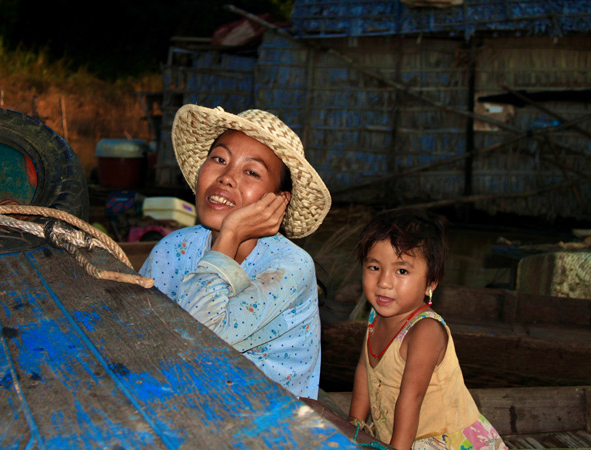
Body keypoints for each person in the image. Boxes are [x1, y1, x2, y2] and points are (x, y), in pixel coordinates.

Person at [140, 105, 331, 400]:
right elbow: (140, 328)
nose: (227, 177)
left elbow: (200, 340)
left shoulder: (290, 266)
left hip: (267, 423)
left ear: (278, 202)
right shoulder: (173, 248)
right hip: (185, 397)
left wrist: (230, 235)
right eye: (219, 159)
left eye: (251, 172)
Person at [348, 208, 506, 450]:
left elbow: (411, 398)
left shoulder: (425, 331)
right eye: (374, 267)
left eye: (402, 271)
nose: (384, 282)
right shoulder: (374, 317)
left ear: (430, 282)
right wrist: (354, 426)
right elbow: (364, 370)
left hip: (444, 443)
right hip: (399, 435)